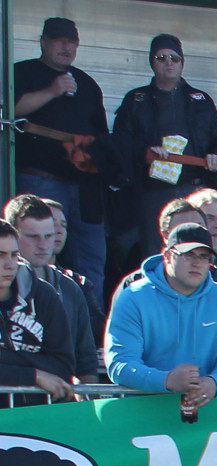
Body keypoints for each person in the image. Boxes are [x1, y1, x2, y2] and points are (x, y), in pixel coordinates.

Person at [111, 34, 217, 280]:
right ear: (152, 62)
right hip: (152, 192)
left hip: (194, 189)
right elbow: (120, 143)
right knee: (155, 253)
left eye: (174, 58)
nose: (169, 62)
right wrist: (147, 151)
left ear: (182, 62)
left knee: (198, 251)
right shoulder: (136, 99)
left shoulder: (201, 100)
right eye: (161, 57)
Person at [13, 18, 110, 301]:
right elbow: (9, 111)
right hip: (40, 180)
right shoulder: (22, 72)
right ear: (43, 42)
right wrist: (52, 90)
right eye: (60, 41)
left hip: (84, 185)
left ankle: (90, 321)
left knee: (92, 259)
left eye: (73, 43)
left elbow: (102, 136)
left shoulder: (87, 84)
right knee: (36, 255)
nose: (67, 48)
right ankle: (34, 313)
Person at [105, 222, 217, 409]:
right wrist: (167, 380)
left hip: (209, 412)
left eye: (204, 256)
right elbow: (119, 364)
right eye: (188, 254)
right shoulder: (133, 297)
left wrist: (213, 383)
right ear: (167, 256)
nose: (197, 263)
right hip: (142, 412)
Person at [6, 195, 97, 382]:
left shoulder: (70, 289)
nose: (43, 245)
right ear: (11, 237)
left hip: (53, 398)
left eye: (49, 236)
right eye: (32, 237)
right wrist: (35, 373)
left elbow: (84, 361)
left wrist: (88, 398)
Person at [0, 221, 75, 399]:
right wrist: (34, 375)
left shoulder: (44, 295)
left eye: (14, 255)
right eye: (0, 255)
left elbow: (63, 366)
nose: (10, 265)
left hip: (35, 413)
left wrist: (5, 359)